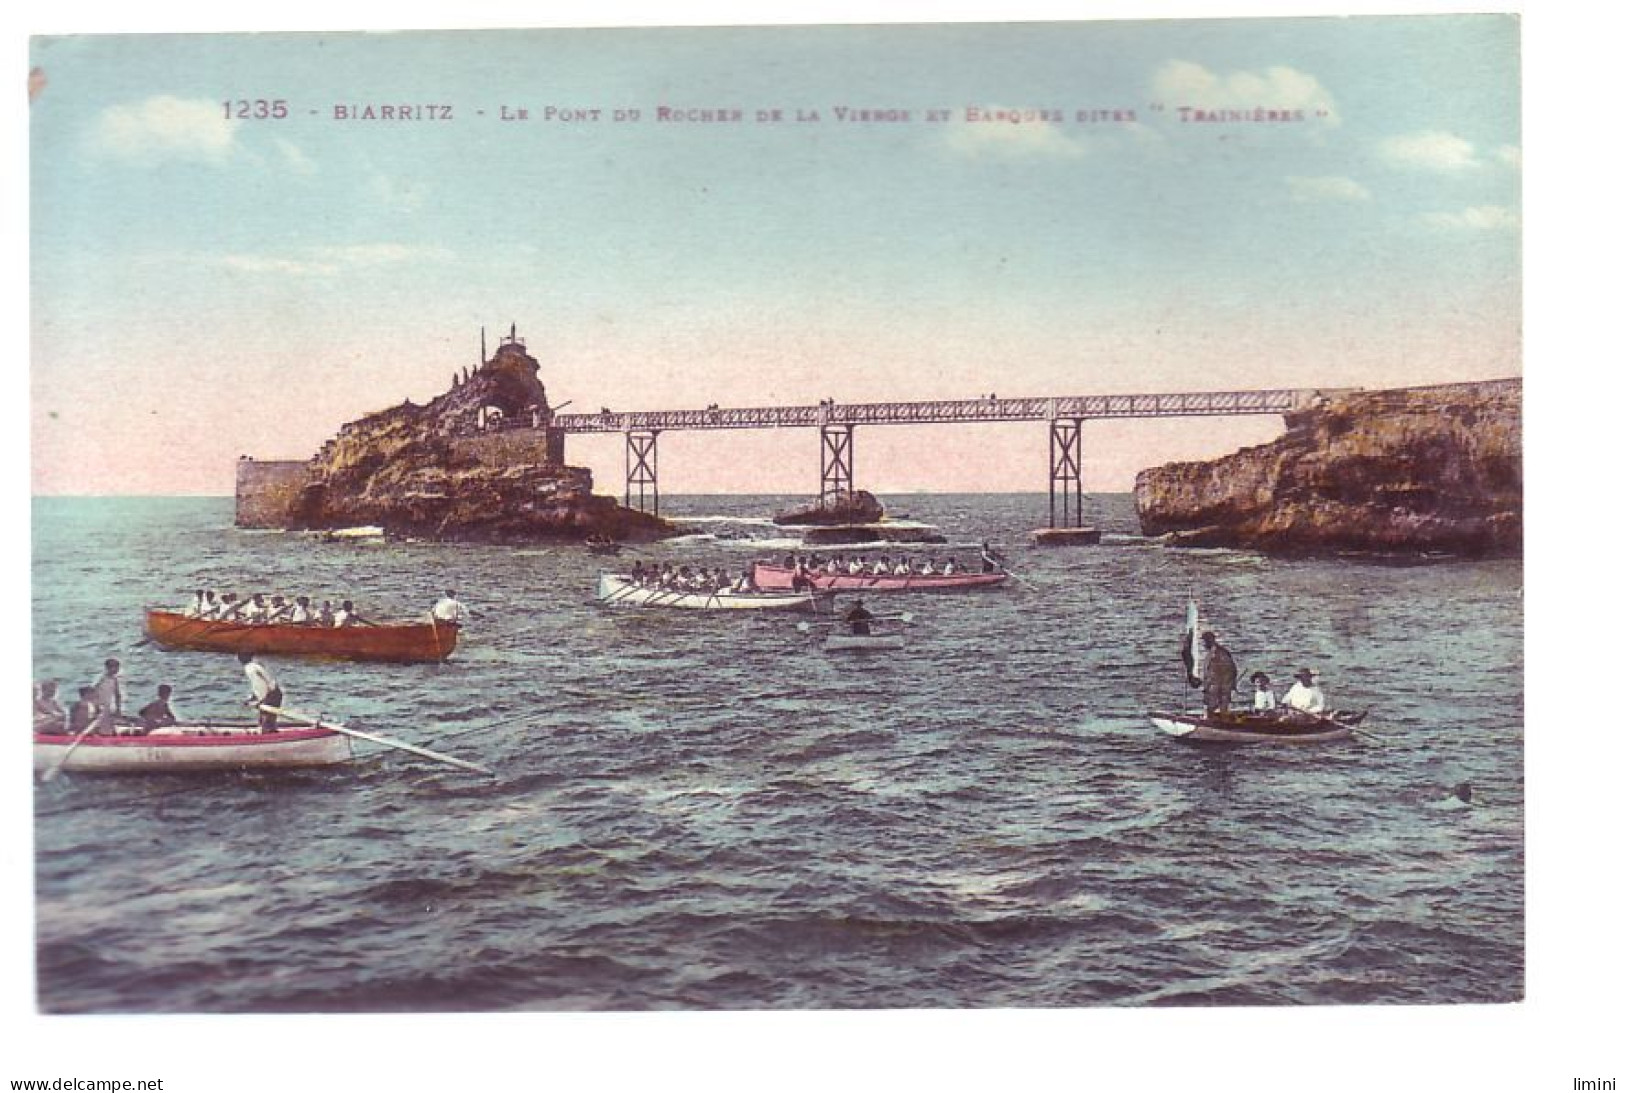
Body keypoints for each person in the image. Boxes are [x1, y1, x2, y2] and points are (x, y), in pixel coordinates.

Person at [240, 652, 283, 730]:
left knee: (266, 718)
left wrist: (260, 699)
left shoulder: (251, 668)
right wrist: (253, 698)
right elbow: (257, 686)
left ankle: (269, 733)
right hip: (273, 692)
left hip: (272, 693)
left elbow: (264, 684)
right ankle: (268, 730)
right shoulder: (253, 667)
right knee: (265, 718)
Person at [1199, 632, 1238, 715]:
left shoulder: (1221, 654)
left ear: (1210, 640)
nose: (1203, 644)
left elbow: (1229, 672)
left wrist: (1224, 690)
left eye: (1205, 641)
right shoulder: (1210, 654)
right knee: (1209, 710)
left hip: (1219, 690)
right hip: (1210, 689)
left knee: (1220, 712)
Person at [92, 658, 123, 734]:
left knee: (108, 725)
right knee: (99, 723)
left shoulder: (115, 680)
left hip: (108, 705)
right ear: (108, 668)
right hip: (100, 704)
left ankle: (107, 736)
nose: (117, 670)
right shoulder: (101, 678)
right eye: (115, 667)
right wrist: (95, 705)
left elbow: (117, 695)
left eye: (117, 668)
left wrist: (118, 709)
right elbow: (93, 690)